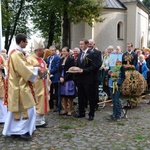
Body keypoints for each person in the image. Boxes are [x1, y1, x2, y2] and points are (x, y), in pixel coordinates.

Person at [2, 33, 44, 140]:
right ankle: (22, 131)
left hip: (20, 84)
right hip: (19, 86)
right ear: (21, 42)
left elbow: (24, 66)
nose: (27, 43)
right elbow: (23, 69)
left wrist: (33, 68)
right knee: (29, 109)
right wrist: (36, 70)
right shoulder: (16, 54)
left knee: (20, 110)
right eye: (26, 41)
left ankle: (16, 130)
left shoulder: (18, 53)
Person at [26, 42, 50, 127]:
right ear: (38, 50)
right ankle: (36, 121)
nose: (44, 51)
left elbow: (46, 69)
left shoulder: (41, 59)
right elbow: (27, 70)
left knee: (43, 99)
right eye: (42, 50)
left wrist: (46, 73)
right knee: (36, 100)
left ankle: (41, 120)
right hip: (35, 84)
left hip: (43, 83)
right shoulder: (30, 59)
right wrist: (36, 69)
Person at [75, 39, 97, 121]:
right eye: (80, 44)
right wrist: (75, 69)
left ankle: (91, 113)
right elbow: (78, 64)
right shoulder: (80, 54)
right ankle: (81, 112)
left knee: (90, 97)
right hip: (80, 79)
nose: (80, 46)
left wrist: (84, 70)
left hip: (88, 79)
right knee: (80, 96)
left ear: (87, 44)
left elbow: (94, 66)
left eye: (82, 44)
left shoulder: (91, 54)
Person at [59, 47, 76, 116]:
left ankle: (70, 110)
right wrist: (60, 77)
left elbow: (71, 70)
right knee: (64, 96)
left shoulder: (71, 59)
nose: (63, 53)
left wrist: (64, 78)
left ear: (68, 52)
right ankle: (65, 109)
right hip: (62, 77)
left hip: (69, 78)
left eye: (65, 51)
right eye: (62, 51)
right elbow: (59, 69)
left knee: (70, 96)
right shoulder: (61, 59)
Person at [88, 39, 102, 110]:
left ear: (94, 44)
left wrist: (92, 68)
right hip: (87, 75)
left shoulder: (98, 52)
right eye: (89, 43)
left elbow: (99, 63)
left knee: (95, 91)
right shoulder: (85, 52)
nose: (89, 45)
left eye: (91, 44)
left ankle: (95, 104)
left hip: (94, 74)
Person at [46, 46, 60, 111]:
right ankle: (50, 104)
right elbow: (47, 65)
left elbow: (57, 67)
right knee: (50, 90)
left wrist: (49, 72)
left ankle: (57, 105)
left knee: (56, 91)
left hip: (55, 76)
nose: (51, 52)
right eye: (50, 50)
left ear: (55, 50)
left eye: (52, 50)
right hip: (49, 77)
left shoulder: (57, 57)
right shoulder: (48, 58)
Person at [0, 54, 7, 123]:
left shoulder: (1, 57)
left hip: (1, 82)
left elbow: (6, 66)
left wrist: (3, 68)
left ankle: (3, 117)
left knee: (1, 100)